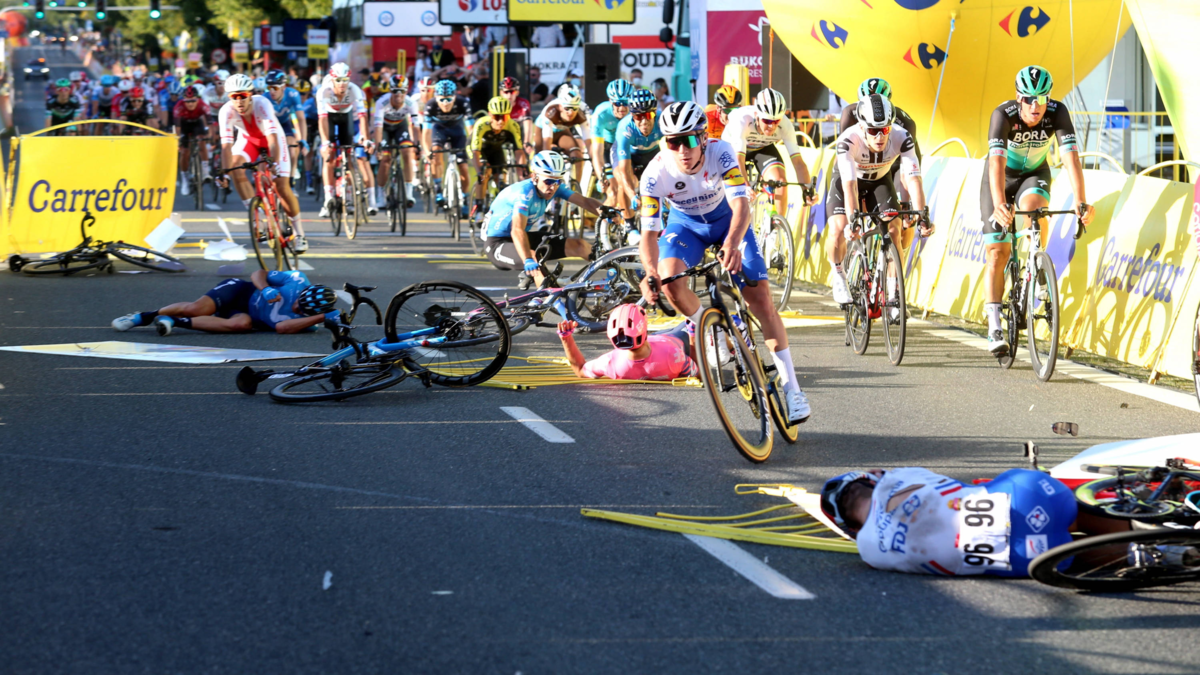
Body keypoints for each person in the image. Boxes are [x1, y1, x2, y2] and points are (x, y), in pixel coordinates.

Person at [637, 101, 811, 424]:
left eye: (689, 140)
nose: (682, 150)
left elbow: (742, 206)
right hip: (686, 227)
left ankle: (793, 389)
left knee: (760, 299)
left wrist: (731, 243)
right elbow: (648, 235)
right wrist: (649, 272)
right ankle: (713, 330)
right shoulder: (654, 173)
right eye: (674, 142)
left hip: (728, 221)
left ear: (703, 138)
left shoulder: (722, 152)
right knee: (669, 280)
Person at [981, 65, 1094, 354]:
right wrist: (999, 204)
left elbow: (1071, 159)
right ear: (1019, 97)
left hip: (1034, 174)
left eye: (1042, 99)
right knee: (997, 252)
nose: (1036, 106)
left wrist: (1081, 201)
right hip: (1001, 178)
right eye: (1030, 99)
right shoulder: (1002, 115)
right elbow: (996, 165)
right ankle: (994, 325)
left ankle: (1037, 263)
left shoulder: (1057, 112)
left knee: (1035, 211)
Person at [819, 467, 1078, 577]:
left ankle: (1101, 556)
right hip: (1030, 498)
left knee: (1075, 559)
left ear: (852, 528)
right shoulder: (896, 477)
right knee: (1062, 506)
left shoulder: (868, 552)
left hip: (1024, 556)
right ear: (870, 478)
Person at [824, 94, 930, 313]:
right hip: (848, 181)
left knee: (894, 230)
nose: (880, 137)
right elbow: (850, 186)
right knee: (838, 229)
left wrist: (922, 214)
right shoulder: (848, 140)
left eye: (885, 129)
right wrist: (853, 220)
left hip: (879, 182)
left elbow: (913, 179)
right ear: (862, 127)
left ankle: (893, 295)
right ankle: (839, 274)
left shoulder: (902, 136)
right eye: (873, 131)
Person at [481, 150, 612, 285]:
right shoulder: (524, 194)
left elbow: (585, 202)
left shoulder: (554, 187)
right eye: (548, 181)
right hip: (497, 244)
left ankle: (618, 273)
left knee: (579, 245)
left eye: (558, 181)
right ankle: (546, 296)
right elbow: (517, 229)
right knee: (534, 258)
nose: (553, 187)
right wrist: (527, 259)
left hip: (521, 238)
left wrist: (609, 212)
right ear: (534, 177)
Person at [217, 73, 308, 253]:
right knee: (235, 168)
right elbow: (226, 146)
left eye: (243, 96)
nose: (239, 101)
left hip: (272, 140)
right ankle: (257, 217)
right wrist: (224, 173)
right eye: (234, 97)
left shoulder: (262, 104)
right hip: (249, 140)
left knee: (281, 186)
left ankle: (299, 234)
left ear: (250, 94)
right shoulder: (225, 112)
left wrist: (273, 162)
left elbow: (273, 139)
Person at [110, 271, 339, 336]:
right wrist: (266, 288)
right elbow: (258, 273)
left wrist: (322, 318)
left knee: (241, 325)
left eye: (302, 310)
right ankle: (144, 316)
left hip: (247, 315)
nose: (296, 308)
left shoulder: (310, 321)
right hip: (240, 291)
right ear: (304, 291)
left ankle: (174, 321)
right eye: (298, 302)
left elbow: (281, 327)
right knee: (196, 309)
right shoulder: (296, 279)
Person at [720, 87, 815, 222]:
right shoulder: (742, 120)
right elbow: (738, 159)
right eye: (767, 121)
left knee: (780, 182)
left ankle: (777, 229)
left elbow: (798, 163)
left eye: (776, 121)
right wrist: (744, 186)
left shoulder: (785, 125)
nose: (772, 126)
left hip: (762, 148)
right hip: (733, 149)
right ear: (757, 115)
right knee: (736, 193)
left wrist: (807, 190)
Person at [557, 304, 697, 380]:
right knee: (696, 318)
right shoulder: (673, 355)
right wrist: (693, 336)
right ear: (644, 330)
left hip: (660, 340)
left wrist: (566, 338)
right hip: (675, 340)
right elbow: (699, 373)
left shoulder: (610, 363)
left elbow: (580, 370)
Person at [316, 62, 377, 218]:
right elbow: (322, 119)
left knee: (349, 156)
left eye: (345, 80)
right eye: (338, 80)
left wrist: (366, 139)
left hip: (346, 117)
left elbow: (362, 116)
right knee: (329, 158)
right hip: (329, 117)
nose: (342, 83)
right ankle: (328, 198)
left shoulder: (355, 90)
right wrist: (325, 142)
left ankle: (348, 196)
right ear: (332, 79)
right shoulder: (324, 91)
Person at [613, 88, 662, 220]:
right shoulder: (625, 128)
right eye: (638, 116)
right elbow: (624, 171)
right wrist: (633, 196)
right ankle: (630, 225)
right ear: (632, 115)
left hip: (652, 153)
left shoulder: (662, 121)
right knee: (625, 181)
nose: (644, 121)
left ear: (655, 113)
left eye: (648, 115)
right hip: (630, 155)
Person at [423, 79, 471, 214]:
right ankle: (438, 189)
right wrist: (427, 151)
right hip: (439, 130)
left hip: (457, 131)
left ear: (454, 97)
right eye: (442, 99)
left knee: (463, 167)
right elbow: (426, 133)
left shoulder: (463, 102)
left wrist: (473, 146)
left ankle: (465, 199)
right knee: (435, 154)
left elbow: (471, 129)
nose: (445, 103)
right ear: (436, 97)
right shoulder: (430, 105)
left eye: (449, 99)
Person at [372, 74, 419, 208]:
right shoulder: (382, 102)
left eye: (402, 91)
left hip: (400, 126)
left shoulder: (411, 103)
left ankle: (408, 192)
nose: (398, 94)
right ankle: (381, 195)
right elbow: (378, 128)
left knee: (407, 152)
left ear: (406, 91)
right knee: (385, 160)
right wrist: (378, 147)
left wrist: (418, 145)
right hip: (385, 128)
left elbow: (415, 127)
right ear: (390, 91)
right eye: (395, 91)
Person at [470, 95, 525, 209]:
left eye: (505, 117)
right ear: (490, 115)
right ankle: (479, 209)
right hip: (479, 150)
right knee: (484, 174)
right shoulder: (481, 124)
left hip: (496, 150)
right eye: (497, 117)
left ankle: (499, 205)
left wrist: (522, 172)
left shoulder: (512, 125)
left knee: (501, 178)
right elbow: (475, 152)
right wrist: (479, 172)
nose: (501, 121)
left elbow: (519, 151)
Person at [589, 79, 634, 209]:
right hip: (607, 148)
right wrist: (601, 177)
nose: (622, 108)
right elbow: (597, 153)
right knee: (613, 193)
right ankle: (603, 220)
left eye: (626, 103)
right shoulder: (601, 114)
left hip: (629, 146)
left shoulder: (636, 110)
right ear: (610, 101)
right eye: (617, 103)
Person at [532, 84, 590, 174]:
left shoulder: (583, 109)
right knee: (542, 159)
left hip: (562, 131)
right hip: (543, 130)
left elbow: (588, 140)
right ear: (560, 106)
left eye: (575, 108)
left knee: (577, 156)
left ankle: (576, 183)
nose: (570, 112)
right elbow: (546, 142)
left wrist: (594, 159)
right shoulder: (550, 110)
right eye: (567, 108)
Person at [265, 69, 307, 188]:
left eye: (275, 88)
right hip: (269, 126)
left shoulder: (293, 94)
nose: (271, 91)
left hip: (284, 124)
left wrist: (303, 140)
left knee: (293, 149)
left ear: (283, 87)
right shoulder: (264, 98)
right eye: (269, 88)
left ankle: (291, 181)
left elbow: (301, 119)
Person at [173, 85, 212, 195]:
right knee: (185, 152)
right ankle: (185, 180)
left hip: (197, 124)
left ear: (198, 99)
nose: (190, 104)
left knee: (202, 142)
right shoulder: (178, 107)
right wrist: (178, 141)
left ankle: (205, 172)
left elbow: (210, 124)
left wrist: (210, 136)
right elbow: (177, 128)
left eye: (193, 101)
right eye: (187, 101)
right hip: (184, 125)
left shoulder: (203, 105)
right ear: (183, 100)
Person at [498, 76, 533, 154]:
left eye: (512, 92)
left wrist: (527, 141)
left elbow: (527, 123)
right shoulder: (497, 104)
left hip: (518, 130)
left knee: (524, 151)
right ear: (501, 93)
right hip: (502, 129)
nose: (509, 95)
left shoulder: (523, 103)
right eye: (506, 92)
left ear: (517, 92)